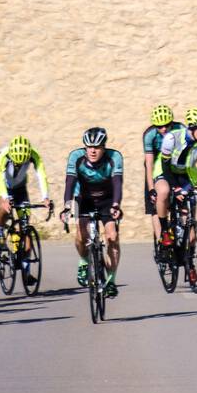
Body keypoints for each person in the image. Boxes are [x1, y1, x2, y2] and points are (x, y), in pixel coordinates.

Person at [153, 108, 197, 278]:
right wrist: (175, 187)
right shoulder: (171, 138)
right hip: (165, 172)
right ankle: (165, 231)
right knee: (165, 192)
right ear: (192, 127)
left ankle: (189, 264)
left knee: (189, 227)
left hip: (185, 175)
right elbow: (165, 165)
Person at [61, 127, 123, 296]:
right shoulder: (76, 157)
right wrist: (67, 206)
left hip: (107, 200)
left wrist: (116, 205)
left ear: (104, 147)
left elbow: (117, 183)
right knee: (82, 235)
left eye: (97, 147)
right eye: (89, 147)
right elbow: (70, 182)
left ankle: (111, 280)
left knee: (113, 237)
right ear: (85, 147)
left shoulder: (114, 157)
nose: (93, 151)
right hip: (84, 198)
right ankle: (83, 261)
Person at [0, 136, 53, 289]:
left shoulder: (33, 155)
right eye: (16, 163)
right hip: (3, 187)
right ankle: (1, 232)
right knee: (4, 209)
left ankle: (26, 273)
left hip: (20, 189)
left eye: (22, 163)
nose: (19, 165)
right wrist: (5, 199)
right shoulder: (4, 156)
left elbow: (41, 175)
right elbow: (0, 179)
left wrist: (45, 197)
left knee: (25, 226)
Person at [142, 105, 180, 241]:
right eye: (159, 126)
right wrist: (151, 188)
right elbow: (149, 163)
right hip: (156, 166)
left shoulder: (180, 129)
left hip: (174, 163)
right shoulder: (149, 135)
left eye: (167, 125)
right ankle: (162, 240)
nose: (163, 129)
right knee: (156, 202)